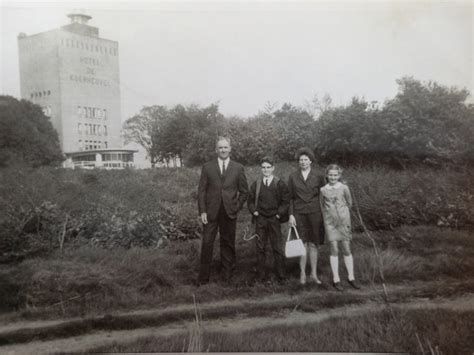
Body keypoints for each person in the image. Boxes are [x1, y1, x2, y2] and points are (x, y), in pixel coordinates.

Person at [197, 136, 249, 285]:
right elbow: (201, 191)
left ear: (230, 149)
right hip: (211, 213)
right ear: (216, 150)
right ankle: (203, 279)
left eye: (225, 147)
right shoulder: (207, 167)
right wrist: (203, 211)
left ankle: (227, 277)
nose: (223, 150)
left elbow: (244, 191)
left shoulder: (238, 167)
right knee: (207, 243)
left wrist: (236, 207)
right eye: (220, 148)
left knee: (228, 244)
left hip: (229, 211)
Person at [247, 156, 290, 283]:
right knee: (260, 247)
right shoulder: (257, 184)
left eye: (268, 167)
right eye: (263, 167)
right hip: (260, 219)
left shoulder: (279, 183)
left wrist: (278, 214)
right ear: (261, 169)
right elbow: (250, 200)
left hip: (274, 219)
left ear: (273, 168)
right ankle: (261, 276)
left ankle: (281, 276)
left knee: (277, 247)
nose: (266, 170)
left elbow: (285, 201)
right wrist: (254, 211)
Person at [320, 164, 361, 291]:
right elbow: (322, 206)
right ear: (327, 175)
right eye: (330, 175)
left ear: (339, 176)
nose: (333, 177)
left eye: (335, 175)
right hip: (330, 223)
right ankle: (336, 279)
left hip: (344, 222)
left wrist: (343, 215)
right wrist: (329, 217)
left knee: (346, 248)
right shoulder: (323, 190)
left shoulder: (344, 188)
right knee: (334, 249)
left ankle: (351, 277)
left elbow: (349, 203)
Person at [288, 147, 325, 285]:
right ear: (298, 162)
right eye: (301, 160)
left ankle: (314, 274)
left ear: (310, 161)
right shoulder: (293, 176)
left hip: (315, 213)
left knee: (314, 244)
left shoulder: (319, 176)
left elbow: (323, 195)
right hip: (299, 213)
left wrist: (324, 213)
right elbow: (290, 198)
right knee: (302, 244)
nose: (303, 162)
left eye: (305, 159)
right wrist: (291, 215)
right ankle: (302, 274)